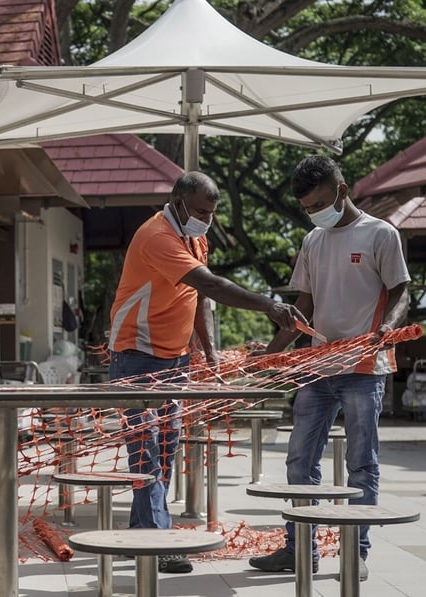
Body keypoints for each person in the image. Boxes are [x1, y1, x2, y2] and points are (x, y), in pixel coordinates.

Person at [108, 171, 304, 574]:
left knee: (165, 448)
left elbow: (195, 296)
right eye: (200, 211)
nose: (206, 219)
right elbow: (210, 284)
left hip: (176, 358)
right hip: (137, 355)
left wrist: (208, 349)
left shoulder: (194, 236)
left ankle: (139, 533)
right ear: (178, 201)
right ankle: (158, 544)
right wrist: (268, 305)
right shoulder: (157, 236)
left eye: (212, 213)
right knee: (146, 451)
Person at [249, 156, 410, 581]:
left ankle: (357, 552)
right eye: (306, 207)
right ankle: (299, 547)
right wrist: (269, 355)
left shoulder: (380, 234)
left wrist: (388, 329)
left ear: (342, 191)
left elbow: (401, 290)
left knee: (361, 463)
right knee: (299, 460)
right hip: (316, 367)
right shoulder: (313, 240)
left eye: (319, 201)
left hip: (362, 367)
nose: (314, 212)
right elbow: (303, 307)